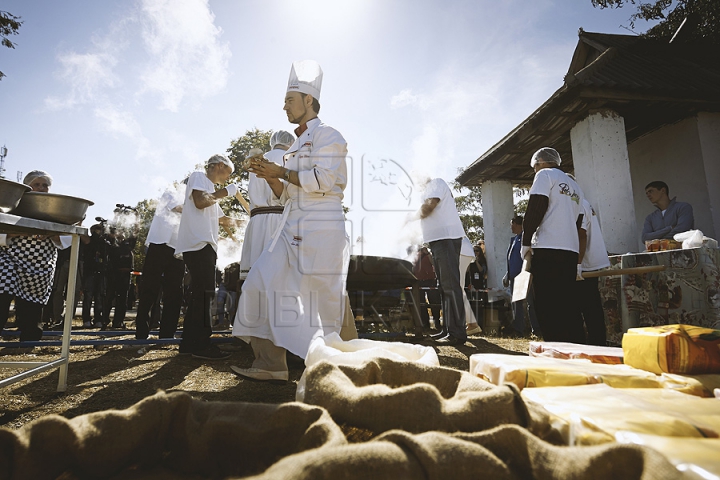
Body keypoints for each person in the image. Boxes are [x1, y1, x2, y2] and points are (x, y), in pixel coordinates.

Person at [232, 60, 356, 381]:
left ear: (309, 101)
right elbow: (287, 193)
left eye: (289, 99)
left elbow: (324, 180)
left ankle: (340, 363)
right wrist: (269, 176)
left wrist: (281, 172)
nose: (284, 106)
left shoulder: (329, 135)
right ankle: (271, 363)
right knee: (261, 279)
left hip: (321, 227)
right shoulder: (296, 145)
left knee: (325, 300)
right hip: (292, 227)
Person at [174, 154, 239, 360]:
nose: (227, 179)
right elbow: (201, 202)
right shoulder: (199, 177)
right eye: (227, 173)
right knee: (204, 295)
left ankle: (188, 343)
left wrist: (248, 221)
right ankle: (201, 344)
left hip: (205, 245)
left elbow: (223, 220)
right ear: (219, 165)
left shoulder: (210, 190)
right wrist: (227, 192)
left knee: (199, 295)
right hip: (199, 244)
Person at [521, 147, 585, 343]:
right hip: (570, 249)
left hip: (548, 247)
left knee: (547, 304)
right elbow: (579, 219)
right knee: (568, 302)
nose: (534, 170)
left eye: (534, 166)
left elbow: (536, 207)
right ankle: (576, 346)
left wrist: (526, 240)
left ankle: (555, 346)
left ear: (539, 161)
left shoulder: (544, 175)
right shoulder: (575, 186)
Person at [0, 171, 61, 342]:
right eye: (37, 184)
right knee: (2, 295)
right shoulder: (12, 206)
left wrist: (50, 233)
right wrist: (14, 232)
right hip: (11, 260)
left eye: (45, 185)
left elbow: (66, 238)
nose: (41, 188)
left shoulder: (56, 209)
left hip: (42, 265)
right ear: (27, 187)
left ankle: (29, 343)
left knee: (32, 308)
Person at [408, 176, 467, 346]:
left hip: (446, 238)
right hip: (438, 240)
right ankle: (448, 330)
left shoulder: (435, 183)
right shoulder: (427, 191)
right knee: (444, 286)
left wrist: (408, 219)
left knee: (450, 286)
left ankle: (457, 333)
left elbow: (428, 208)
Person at [238, 130, 295, 279]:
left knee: (255, 279)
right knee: (279, 278)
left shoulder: (257, 160)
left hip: (256, 223)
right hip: (280, 221)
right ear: (291, 143)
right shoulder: (290, 159)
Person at [134, 184, 186, 340]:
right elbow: (178, 208)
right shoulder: (171, 193)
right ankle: (142, 334)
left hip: (178, 250)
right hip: (159, 245)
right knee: (149, 290)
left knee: (175, 293)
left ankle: (167, 335)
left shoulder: (191, 203)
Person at [577, 197, 611, 345]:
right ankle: (597, 342)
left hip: (584, 264)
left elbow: (581, 235)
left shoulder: (577, 204)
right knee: (592, 307)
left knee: (589, 309)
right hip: (588, 262)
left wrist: (577, 264)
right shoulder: (585, 203)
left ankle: (596, 343)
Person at [503, 215, 540, 337]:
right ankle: (518, 329)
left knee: (531, 303)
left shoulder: (526, 238)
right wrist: (507, 275)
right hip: (514, 277)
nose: (511, 227)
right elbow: (511, 259)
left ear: (519, 225)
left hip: (525, 275)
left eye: (512, 224)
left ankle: (537, 329)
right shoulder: (513, 240)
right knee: (516, 304)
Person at [102, 228, 136, 328]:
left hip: (125, 275)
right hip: (113, 273)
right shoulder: (111, 242)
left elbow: (135, 234)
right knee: (109, 298)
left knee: (122, 300)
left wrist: (136, 219)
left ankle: (118, 321)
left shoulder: (128, 244)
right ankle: (105, 320)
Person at [81, 223, 109, 328]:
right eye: (97, 229)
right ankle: (86, 319)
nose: (99, 231)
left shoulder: (104, 243)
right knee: (88, 297)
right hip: (90, 272)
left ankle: (98, 319)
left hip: (101, 272)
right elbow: (87, 242)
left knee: (99, 297)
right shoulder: (90, 240)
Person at [411, 246, 441, 330]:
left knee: (434, 301)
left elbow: (434, 263)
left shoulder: (428, 255)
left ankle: (437, 321)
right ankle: (425, 323)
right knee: (421, 303)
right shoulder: (414, 256)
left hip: (430, 280)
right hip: (419, 281)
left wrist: (427, 252)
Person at [464, 242, 486, 335]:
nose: (475, 252)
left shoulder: (482, 261)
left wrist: (476, 261)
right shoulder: (470, 261)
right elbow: (467, 270)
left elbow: (482, 271)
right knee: (470, 306)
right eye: (474, 251)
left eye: (477, 251)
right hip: (470, 285)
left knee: (478, 307)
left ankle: (479, 325)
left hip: (478, 286)